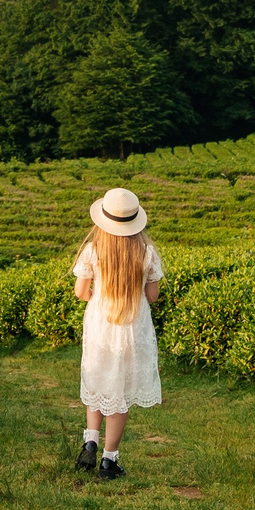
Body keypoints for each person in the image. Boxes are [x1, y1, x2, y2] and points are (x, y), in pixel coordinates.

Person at [71, 185, 163, 480]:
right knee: (120, 391)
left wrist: (98, 298)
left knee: (98, 380)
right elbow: (153, 296)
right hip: (131, 326)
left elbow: (80, 292)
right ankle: (109, 461)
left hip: (100, 323)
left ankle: (90, 442)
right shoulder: (146, 252)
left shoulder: (93, 250)